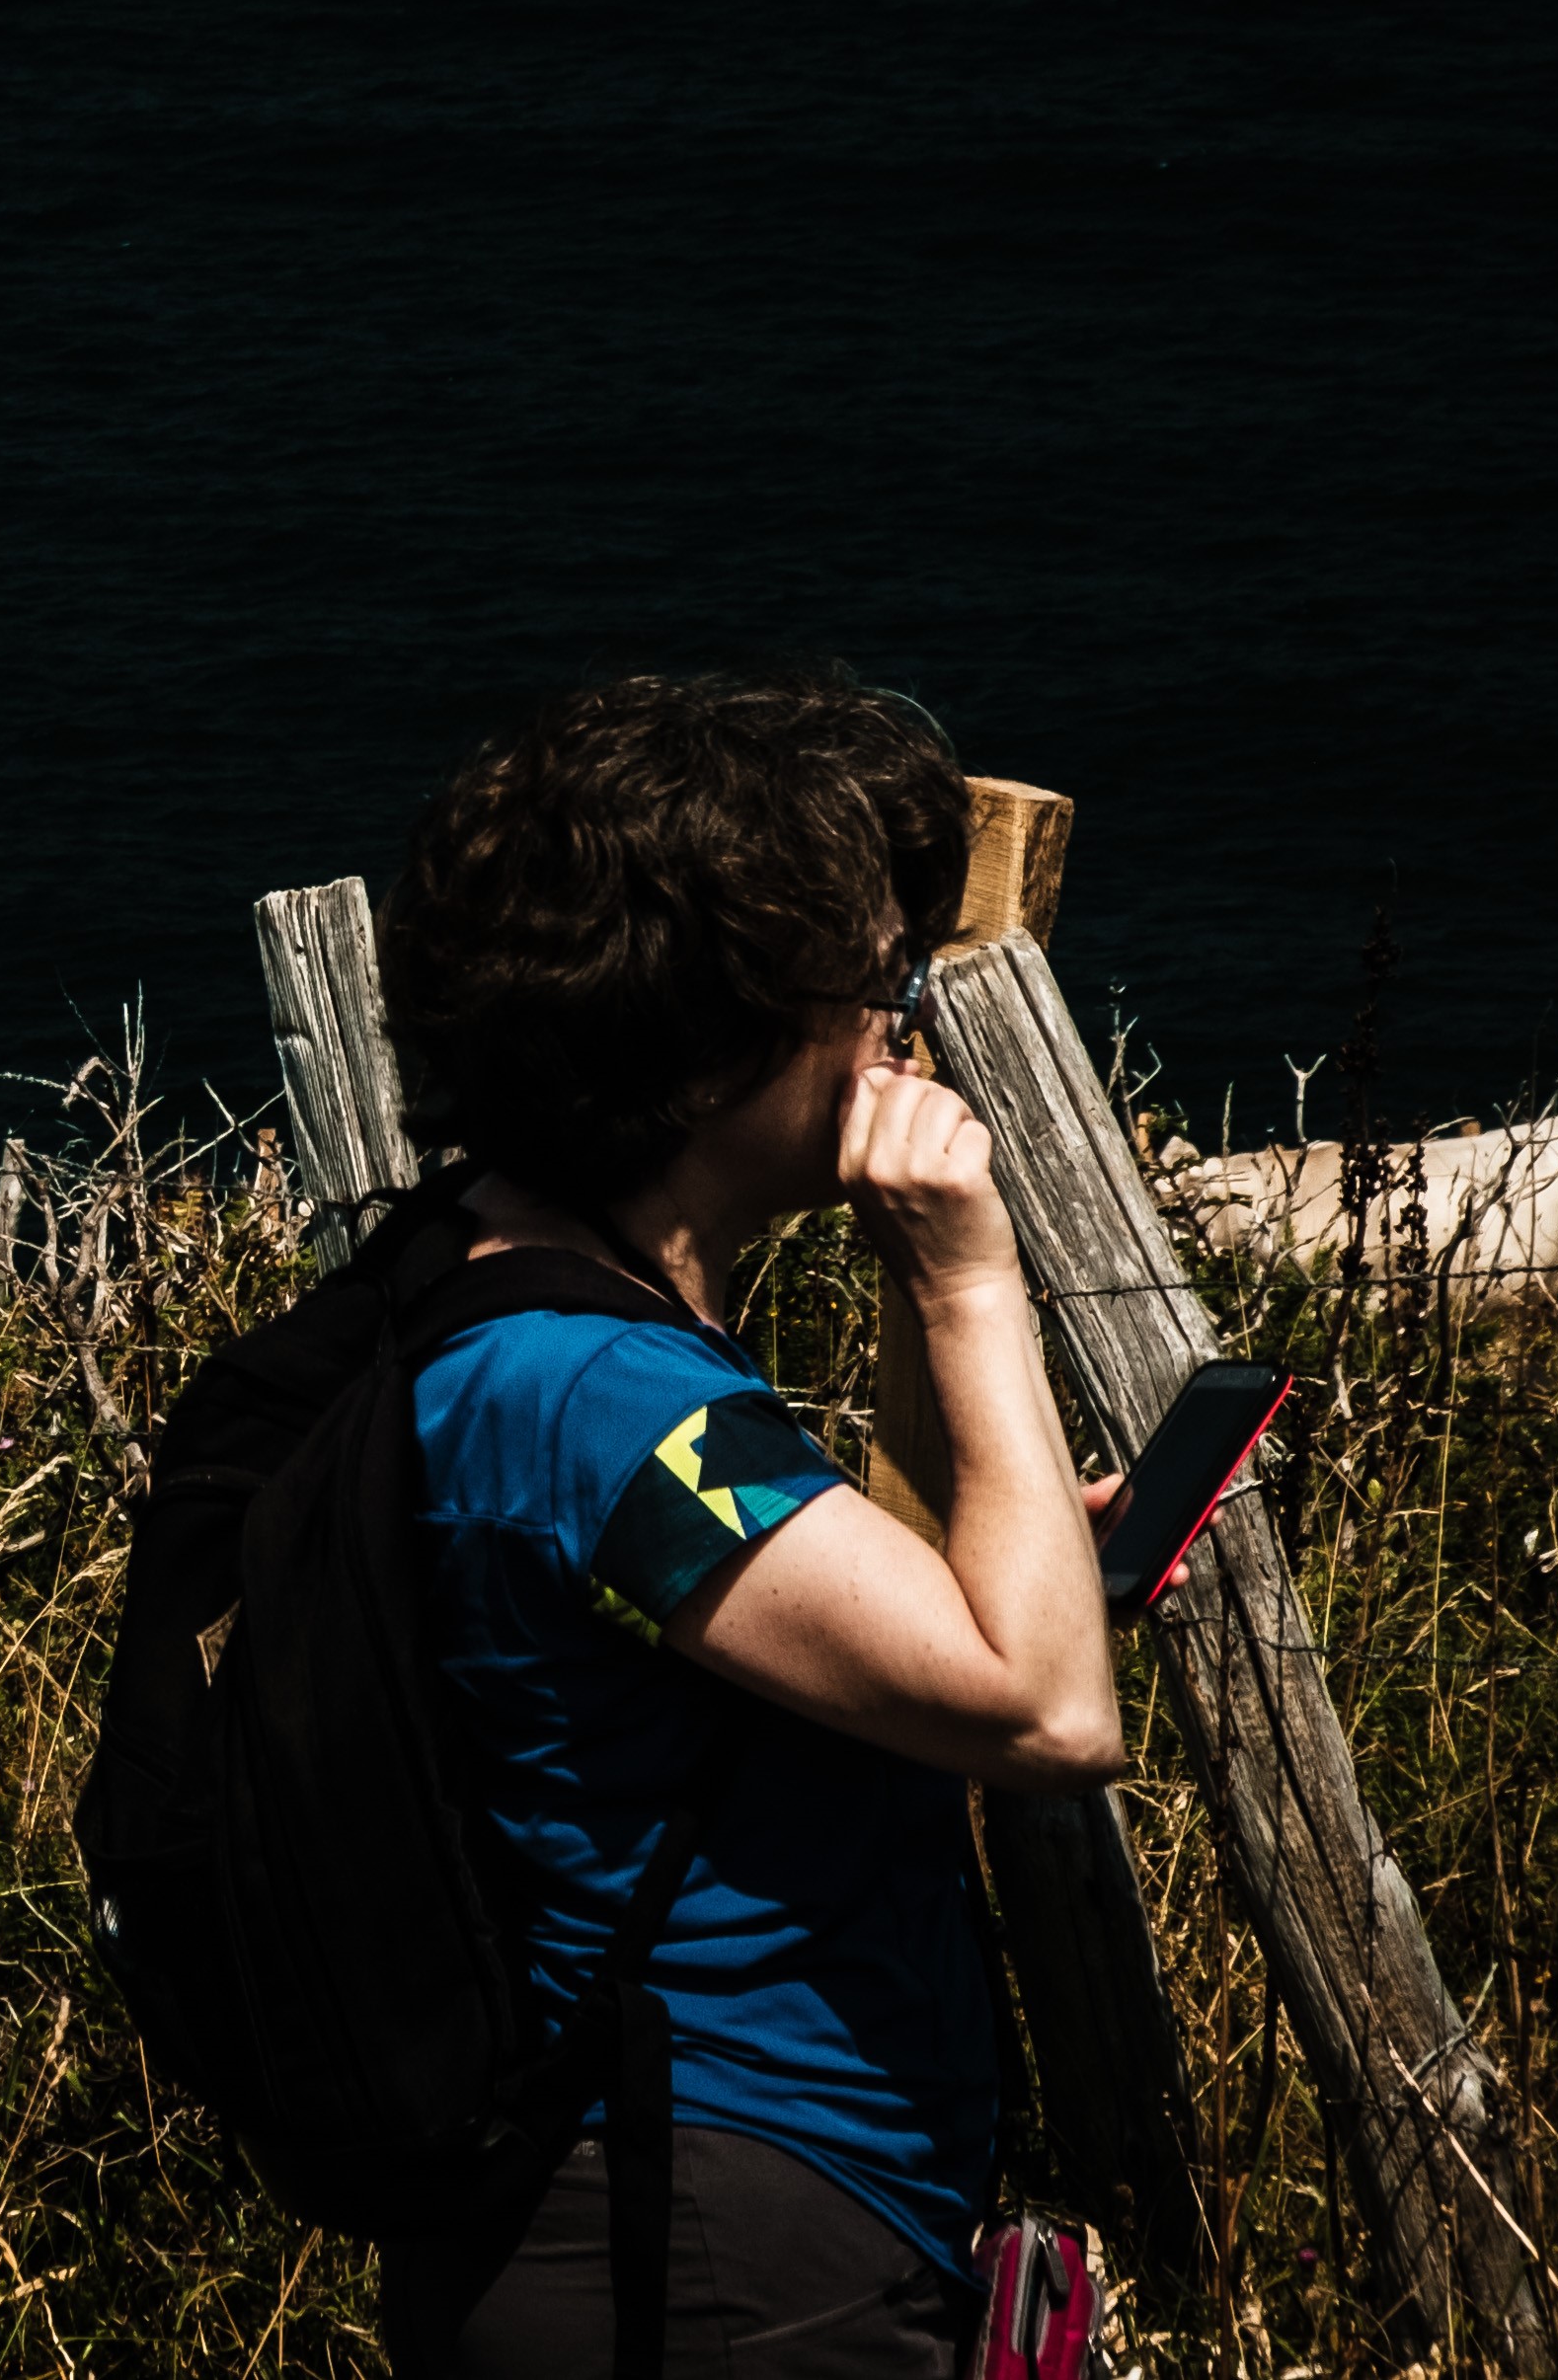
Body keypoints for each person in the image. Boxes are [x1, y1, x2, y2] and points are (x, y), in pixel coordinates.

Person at [374, 672, 1125, 2377]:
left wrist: (995, 1584)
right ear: (715, 1040)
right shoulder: (604, 1394)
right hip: (710, 2245)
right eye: (877, 988)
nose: (898, 1037)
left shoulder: (497, 1291)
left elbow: (685, 1655)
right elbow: (1051, 1711)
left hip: (676, 2214)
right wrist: (966, 1269)